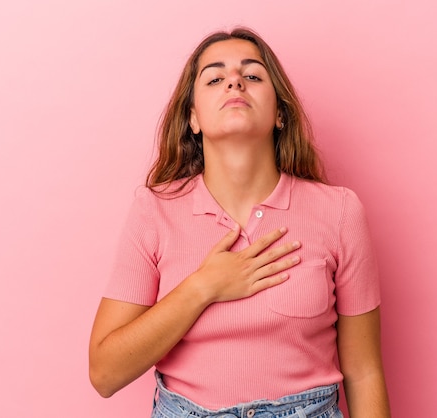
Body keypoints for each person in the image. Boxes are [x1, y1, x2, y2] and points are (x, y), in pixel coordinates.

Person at [89, 27, 391, 418]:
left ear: (280, 113)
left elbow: (364, 372)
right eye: (215, 78)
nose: (234, 81)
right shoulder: (153, 211)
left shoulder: (340, 212)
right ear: (193, 118)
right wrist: (204, 286)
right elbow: (104, 373)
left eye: (252, 75)